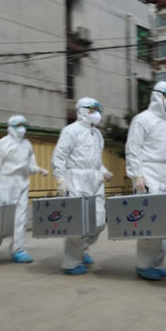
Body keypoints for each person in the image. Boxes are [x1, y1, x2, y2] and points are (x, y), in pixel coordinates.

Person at [125, 81, 166, 281]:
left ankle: (157, 262)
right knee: (151, 222)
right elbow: (133, 149)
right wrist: (137, 176)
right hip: (148, 171)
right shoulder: (142, 119)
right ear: (158, 96)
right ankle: (144, 265)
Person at [52, 97, 114, 275]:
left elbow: (95, 160)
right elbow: (59, 156)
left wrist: (103, 171)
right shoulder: (70, 131)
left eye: (98, 110)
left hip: (95, 179)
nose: (97, 114)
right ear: (83, 111)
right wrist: (61, 180)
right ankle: (71, 262)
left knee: (99, 221)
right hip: (76, 178)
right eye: (93, 109)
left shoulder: (97, 134)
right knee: (78, 223)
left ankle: (82, 249)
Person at [0, 116, 49, 263]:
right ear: (11, 126)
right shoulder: (2, 144)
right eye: (19, 125)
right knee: (1, 220)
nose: (22, 128)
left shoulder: (27, 145)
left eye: (24, 125)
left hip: (22, 184)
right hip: (5, 184)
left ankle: (18, 250)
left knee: (21, 219)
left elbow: (30, 165)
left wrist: (38, 169)